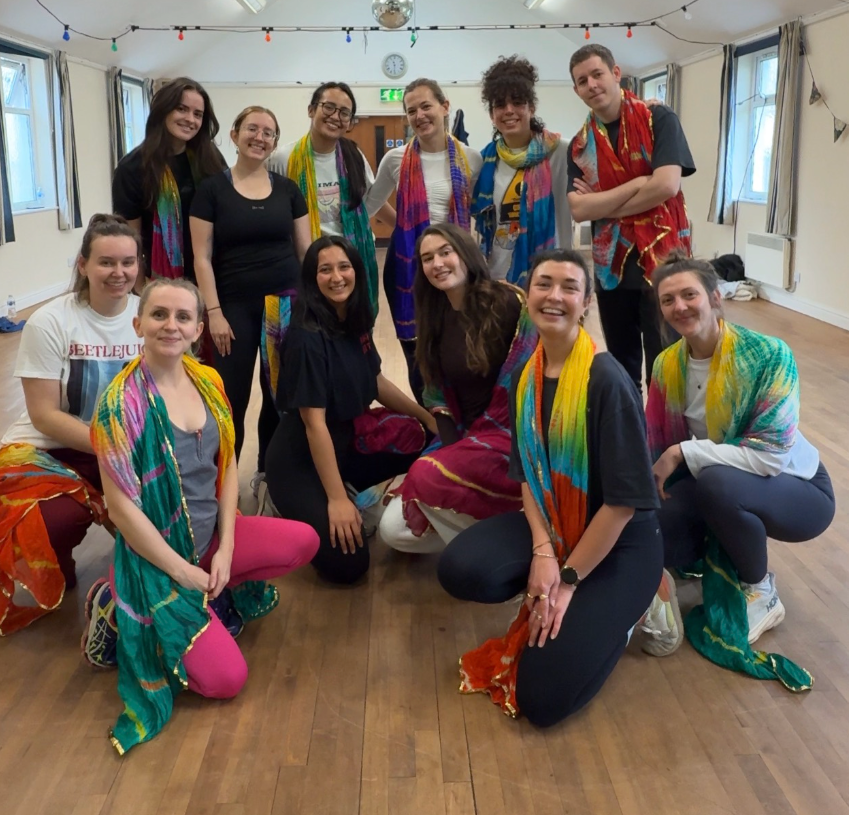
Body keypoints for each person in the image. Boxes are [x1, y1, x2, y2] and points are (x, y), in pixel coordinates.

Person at [87, 278, 319, 754]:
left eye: (183, 317)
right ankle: (113, 603)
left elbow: (228, 462)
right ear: (138, 323)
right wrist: (184, 573)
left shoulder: (208, 380)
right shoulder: (118, 405)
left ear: (198, 330)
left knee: (304, 541)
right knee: (227, 680)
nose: (170, 325)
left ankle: (215, 590)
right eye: (158, 315)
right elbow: (120, 509)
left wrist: (227, 548)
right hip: (157, 562)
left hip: (210, 538)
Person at [437, 249, 662, 728]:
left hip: (620, 544)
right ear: (527, 294)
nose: (554, 296)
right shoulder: (527, 376)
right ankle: (573, 612)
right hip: (557, 524)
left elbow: (622, 506)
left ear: (585, 304)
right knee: (460, 569)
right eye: (544, 284)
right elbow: (527, 479)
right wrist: (543, 554)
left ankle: (626, 615)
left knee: (542, 700)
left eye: (569, 287)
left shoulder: (606, 380)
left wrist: (567, 581)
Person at [647, 254, 835, 650]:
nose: (679, 306)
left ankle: (760, 589)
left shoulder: (768, 354)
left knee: (718, 484)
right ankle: (698, 560)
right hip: (715, 481)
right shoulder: (666, 365)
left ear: (715, 297)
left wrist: (682, 451)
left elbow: (769, 457)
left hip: (798, 489)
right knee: (651, 518)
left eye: (689, 294)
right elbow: (655, 443)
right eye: (668, 300)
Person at [0, 215, 143, 635]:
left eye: (128, 262)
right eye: (106, 262)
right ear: (83, 265)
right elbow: (45, 415)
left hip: (126, 448)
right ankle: (59, 562)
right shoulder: (51, 321)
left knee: (168, 516)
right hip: (53, 448)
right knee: (46, 523)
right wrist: (116, 452)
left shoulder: (149, 314)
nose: (118, 273)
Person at [264, 237, 436, 585]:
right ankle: (283, 506)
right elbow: (314, 426)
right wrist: (337, 500)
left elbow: (376, 380)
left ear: (357, 271)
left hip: (345, 444)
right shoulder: (305, 337)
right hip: (299, 461)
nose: (336, 277)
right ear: (312, 279)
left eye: (344, 267)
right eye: (324, 270)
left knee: (427, 442)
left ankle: (350, 494)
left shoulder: (354, 319)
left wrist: (426, 417)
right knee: (350, 565)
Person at [378, 224, 535, 553]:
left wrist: (444, 468)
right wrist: (453, 457)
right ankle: (496, 536)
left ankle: (506, 545)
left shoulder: (508, 304)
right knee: (392, 530)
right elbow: (438, 401)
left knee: (422, 473)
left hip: (516, 440)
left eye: (445, 252)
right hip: (466, 438)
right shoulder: (435, 317)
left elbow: (535, 379)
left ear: (465, 253)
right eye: (427, 258)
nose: (437, 263)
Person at [191, 105, 312, 486]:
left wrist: (315, 305)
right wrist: (214, 313)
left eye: (269, 132)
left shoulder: (289, 190)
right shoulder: (211, 190)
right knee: (232, 400)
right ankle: (223, 486)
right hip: (233, 308)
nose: (260, 137)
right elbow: (201, 257)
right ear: (234, 134)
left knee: (279, 398)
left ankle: (269, 475)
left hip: (286, 305)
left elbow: (305, 251)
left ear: (275, 142)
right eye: (252, 129)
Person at [567, 44, 695, 391]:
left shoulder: (659, 120)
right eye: (582, 80)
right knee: (622, 368)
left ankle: (668, 442)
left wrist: (604, 205)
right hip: (612, 269)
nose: (592, 84)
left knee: (666, 365)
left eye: (597, 74)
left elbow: (667, 185)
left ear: (616, 73)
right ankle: (629, 437)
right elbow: (579, 210)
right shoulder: (580, 146)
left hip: (664, 261)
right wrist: (640, 183)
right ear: (576, 90)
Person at [364, 79, 483, 401]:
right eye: (411, 110)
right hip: (408, 270)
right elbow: (367, 208)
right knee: (419, 359)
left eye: (426, 106)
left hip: (457, 270)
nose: (419, 115)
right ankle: (432, 427)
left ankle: (461, 424)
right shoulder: (396, 160)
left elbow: (486, 212)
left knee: (460, 349)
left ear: (445, 106)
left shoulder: (472, 159)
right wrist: (401, 225)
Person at [269, 82, 388, 316]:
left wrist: (406, 229)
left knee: (353, 327)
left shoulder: (353, 155)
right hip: (306, 263)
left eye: (344, 112)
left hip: (350, 260)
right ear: (311, 110)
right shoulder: (284, 158)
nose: (336, 116)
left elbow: (367, 201)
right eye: (329, 107)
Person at [112, 77, 226, 281]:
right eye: (181, 109)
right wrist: (138, 290)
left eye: (198, 114)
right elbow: (130, 240)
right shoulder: (132, 168)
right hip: (164, 278)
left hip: (215, 272)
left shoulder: (211, 159)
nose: (190, 119)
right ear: (163, 110)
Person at [472, 56, 572, 287]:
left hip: (553, 277)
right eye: (499, 105)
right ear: (491, 114)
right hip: (499, 280)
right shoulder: (484, 161)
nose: (509, 111)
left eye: (517, 102)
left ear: (531, 107)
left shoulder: (562, 152)